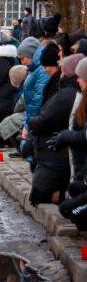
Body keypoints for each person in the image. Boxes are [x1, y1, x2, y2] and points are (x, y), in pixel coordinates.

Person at [26, 45, 77, 205]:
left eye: (47, 65)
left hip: (54, 152)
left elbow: (45, 118)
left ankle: (63, 196)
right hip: (51, 150)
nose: (45, 69)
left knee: (39, 196)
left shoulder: (64, 93)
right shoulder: (59, 87)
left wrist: (31, 123)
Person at [54, 57, 87, 229]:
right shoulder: (83, 98)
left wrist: (66, 136)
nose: (77, 80)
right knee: (74, 189)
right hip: (82, 166)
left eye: (81, 77)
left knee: (71, 212)